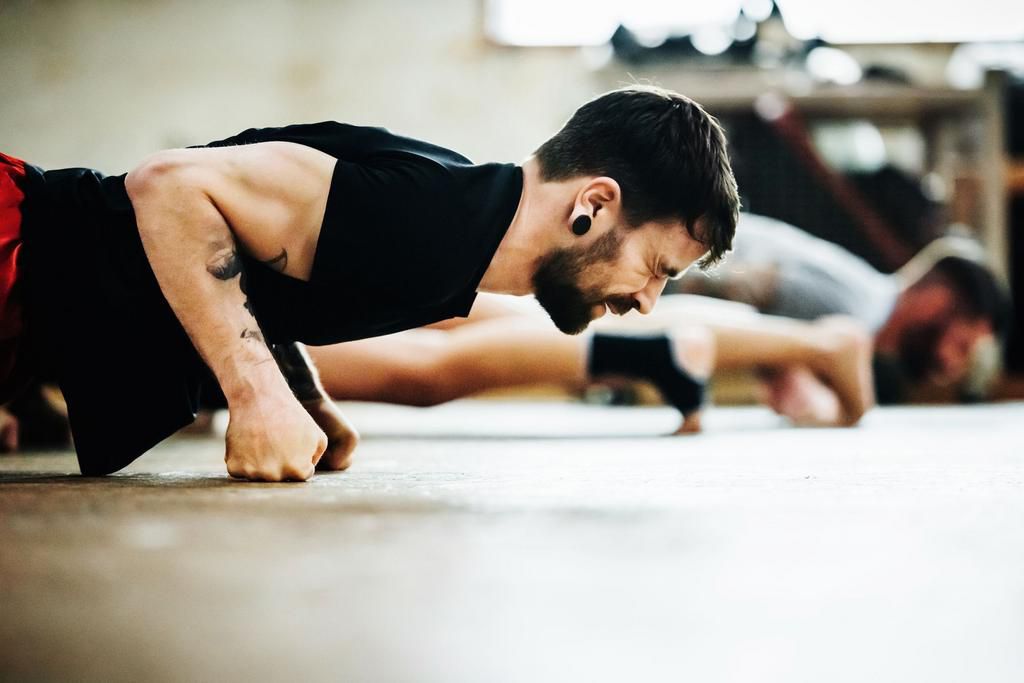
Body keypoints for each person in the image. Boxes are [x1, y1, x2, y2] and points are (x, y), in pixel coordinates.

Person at [0, 85, 740, 481]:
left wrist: (302, 396)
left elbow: (271, 259)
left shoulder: (460, 227)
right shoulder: (432, 219)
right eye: (656, 269)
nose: (646, 300)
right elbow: (168, 185)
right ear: (594, 203)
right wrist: (254, 394)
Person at [304, 293, 875, 432]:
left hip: (238, 318)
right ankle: (814, 344)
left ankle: (654, 353)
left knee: (426, 370)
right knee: (506, 318)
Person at [672, 214, 1011, 404]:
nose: (955, 366)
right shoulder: (858, 309)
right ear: (937, 299)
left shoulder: (863, 301)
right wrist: (785, 369)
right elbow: (722, 281)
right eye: (962, 346)